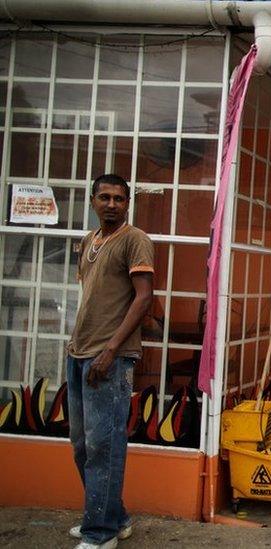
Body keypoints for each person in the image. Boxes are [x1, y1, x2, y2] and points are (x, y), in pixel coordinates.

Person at [67, 174, 154, 549]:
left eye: (119, 198)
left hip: (110, 358)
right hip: (80, 353)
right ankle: (113, 518)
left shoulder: (135, 240)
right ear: (92, 201)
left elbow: (144, 297)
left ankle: (99, 534)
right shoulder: (90, 241)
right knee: (82, 446)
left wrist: (111, 349)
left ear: (128, 203)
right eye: (104, 197)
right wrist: (80, 347)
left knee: (105, 446)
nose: (112, 204)